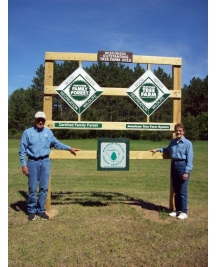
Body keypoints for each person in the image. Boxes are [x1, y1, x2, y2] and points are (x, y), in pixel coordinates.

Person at [19, 111, 80, 221]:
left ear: (45, 121)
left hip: (45, 162)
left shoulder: (48, 133)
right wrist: (24, 165)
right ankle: (31, 211)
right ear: (35, 120)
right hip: (32, 162)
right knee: (32, 188)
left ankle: (41, 210)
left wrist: (69, 148)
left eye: (42, 120)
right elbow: (22, 150)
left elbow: (57, 143)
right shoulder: (27, 133)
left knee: (43, 188)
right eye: (38, 119)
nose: (40, 122)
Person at [150, 123, 193, 220]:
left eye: (180, 130)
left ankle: (184, 211)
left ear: (183, 132)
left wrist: (186, 171)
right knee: (176, 190)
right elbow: (167, 149)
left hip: (183, 166)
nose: (178, 132)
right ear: (175, 132)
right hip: (174, 165)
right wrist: (157, 149)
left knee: (182, 190)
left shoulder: (188, 143)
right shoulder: (173, 142)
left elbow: (190, 159)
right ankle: (177, 210)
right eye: (177, 130)